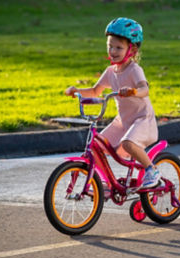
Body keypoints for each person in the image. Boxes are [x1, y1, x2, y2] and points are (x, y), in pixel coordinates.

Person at [65, 17, 160, 188]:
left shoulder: (134, 70)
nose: (113, 51)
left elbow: (145, 89)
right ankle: (107, 183)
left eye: (118, 47)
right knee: (96, 147)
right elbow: (95, 91)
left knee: (128, 143)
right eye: (110, 46)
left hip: (142, 120)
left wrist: (134, 92)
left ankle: (151, 169)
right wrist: (77, 91)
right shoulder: (111, 71)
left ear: (132, 49)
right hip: (123, 121)